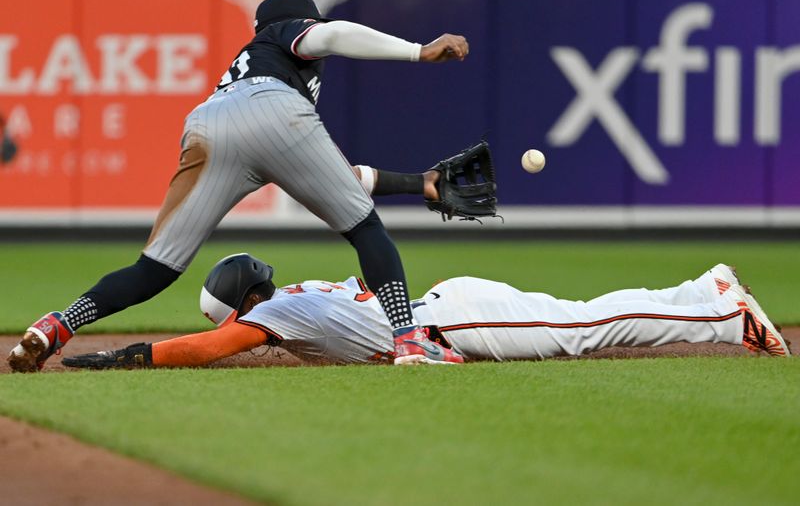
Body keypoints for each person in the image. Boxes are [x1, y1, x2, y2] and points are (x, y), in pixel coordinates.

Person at [8, 0, 471, 373]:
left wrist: (420, 183)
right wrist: (418, 50)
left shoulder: (248, 59)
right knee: (366, 231)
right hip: (276, 109)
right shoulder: (286, 32)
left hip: (207, 124)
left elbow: (343, 179)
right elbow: (331, 33)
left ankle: (56, 325)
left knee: (153, 269)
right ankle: (410, 341)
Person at [61, 255, 791, 370]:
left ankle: (725, 317)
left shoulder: (281, 312)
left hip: (456, 320)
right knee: (582, 313)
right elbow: (226, 335)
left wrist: (123, 356)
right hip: (450, 303)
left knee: (582, 330)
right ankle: (704, 290)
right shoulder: (292, 298)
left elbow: (210, 347)